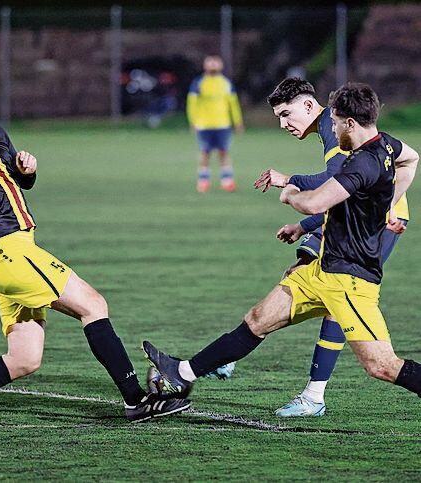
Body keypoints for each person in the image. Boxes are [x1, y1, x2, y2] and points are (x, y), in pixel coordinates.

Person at [0, 74, 190, 424]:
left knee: (24, 360)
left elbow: (19, 182)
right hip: (6, 250)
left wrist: (26, 171)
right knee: (93, 305)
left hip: (14, 251)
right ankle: (135, 400)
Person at [143, 83, 421, 412]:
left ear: (349, 123)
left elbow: (315, 202)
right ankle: (182, 372)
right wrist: (390, 199)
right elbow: (412, 158)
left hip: (350, 280)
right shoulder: (386, 146)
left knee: (381, 366)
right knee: (258, 318)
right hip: (322, 270)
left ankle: (314, 396)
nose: (329, 127)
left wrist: (290, 190)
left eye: (333, 121)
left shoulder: (363, 162)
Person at [250, 78, 410, 417]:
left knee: (336, 290)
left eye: (286, 114)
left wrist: (290, 181)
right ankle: (235, 354)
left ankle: (313, 394)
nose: (283, 124)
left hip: (370, 223)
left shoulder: (331, 125)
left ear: (310, 106)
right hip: (358, 213)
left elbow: (334, 183)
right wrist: (303, 226)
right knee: (308, 275)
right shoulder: (331, 126)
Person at [187, 55, 244, 193]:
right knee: (205, 153)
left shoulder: (226, 83)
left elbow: (233, 103)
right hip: (204, 125)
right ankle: (203, 181)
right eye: (210, 62)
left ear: (221, 65)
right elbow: (191, 103)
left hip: (222, 124)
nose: (213, 64)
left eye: (215, 62)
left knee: (223, 152)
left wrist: (238, 121)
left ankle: (227, 181)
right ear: (205, 65)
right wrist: (192, 121)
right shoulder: (198, 83)